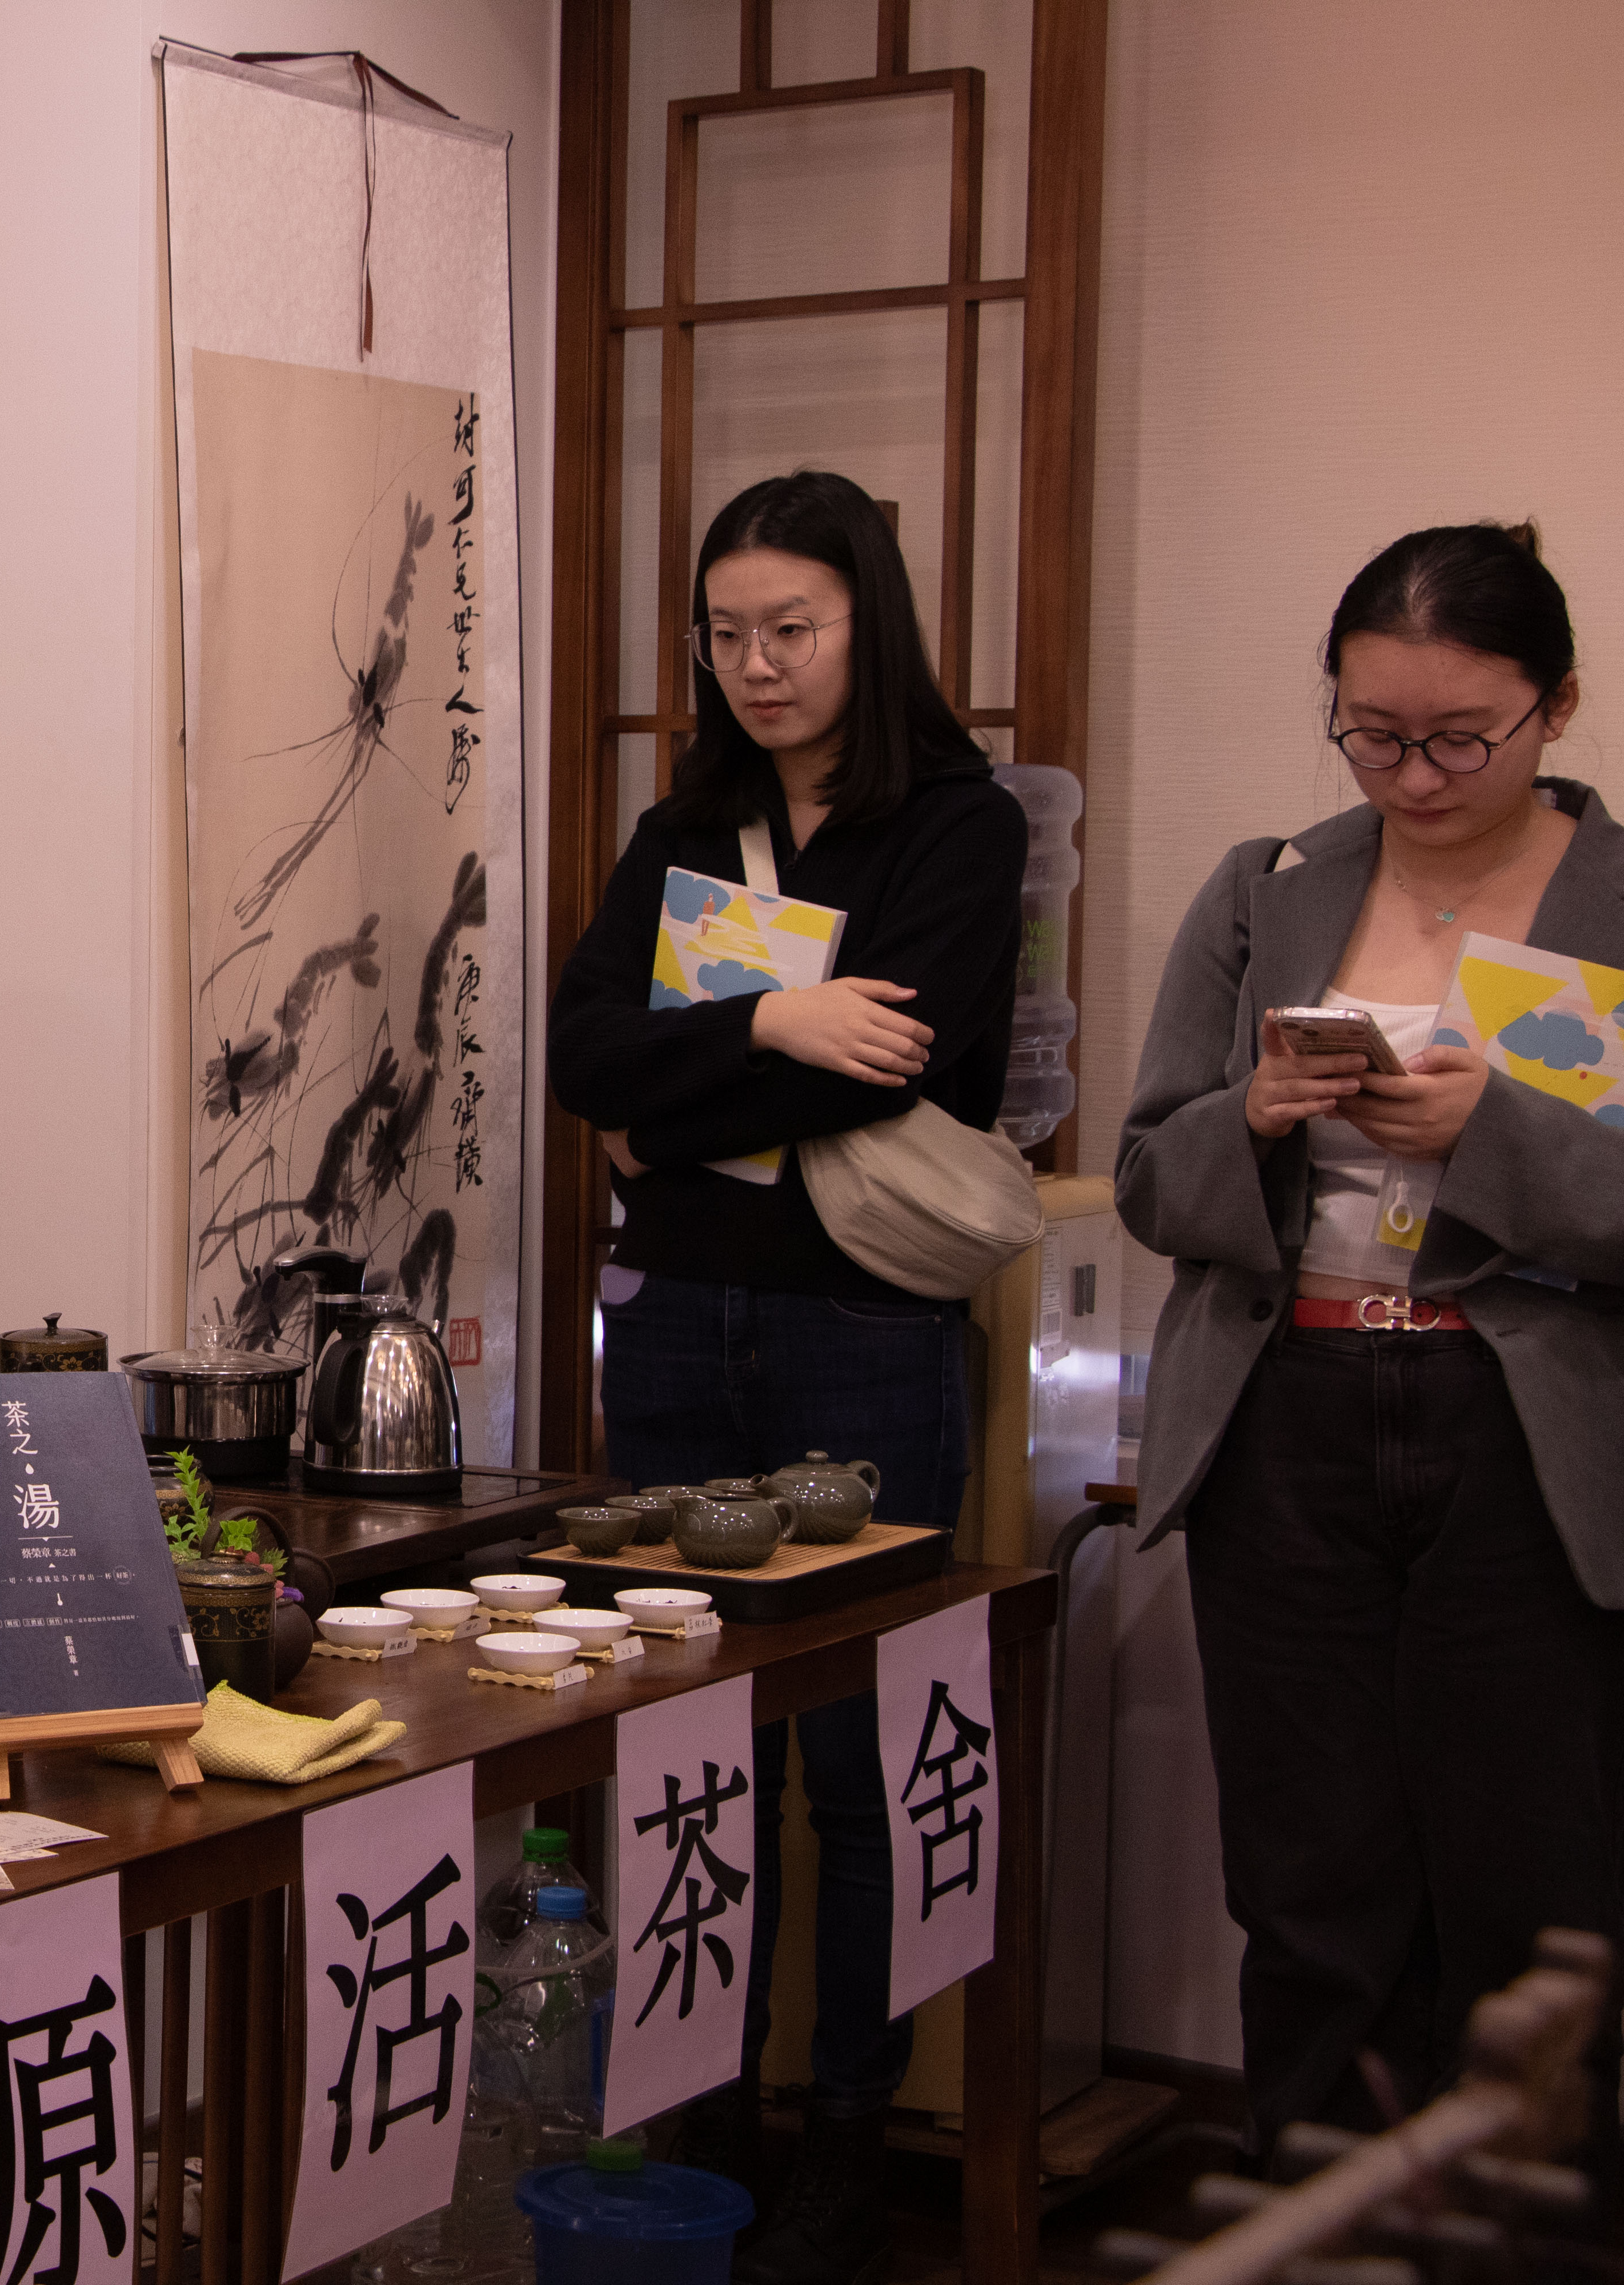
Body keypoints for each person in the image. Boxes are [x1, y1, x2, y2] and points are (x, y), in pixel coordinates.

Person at [550, 470, 1026, 2284]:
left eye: (794, 630)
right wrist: (767, 1020)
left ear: (866, 624)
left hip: (860, 1324)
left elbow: (910, 1063)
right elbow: (588, 1053)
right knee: (689, 1739)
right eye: (728, 634)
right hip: (677, 1316)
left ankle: (848, 2133)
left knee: (862, 1758)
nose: (758, 665)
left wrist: (682, 1096)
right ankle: (705, 2122)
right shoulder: (688, 823)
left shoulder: (956, 827)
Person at [1117, 522, 1624, 2170]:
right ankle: (1314, 2226)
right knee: (1310, 1880)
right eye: (1373, 733)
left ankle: (1517, 2238)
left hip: (1524, 1431)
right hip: (1289, 1415)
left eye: (1461, 738)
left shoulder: (1616, 900)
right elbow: (1147, 1175)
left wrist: (1494, 1137)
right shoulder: (1269, 887)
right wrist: (1257, 1114)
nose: (1414, 776)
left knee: (1533, 1887)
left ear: (1558, 706)